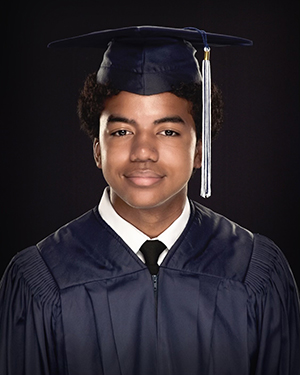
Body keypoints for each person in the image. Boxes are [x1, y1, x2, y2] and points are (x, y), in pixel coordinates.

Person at [0, 26, 299, 375]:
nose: (143, 152)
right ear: (97, 149)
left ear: (200, 149)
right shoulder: (42, 279)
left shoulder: (254, 271)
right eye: (122, 131)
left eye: (168, 131)